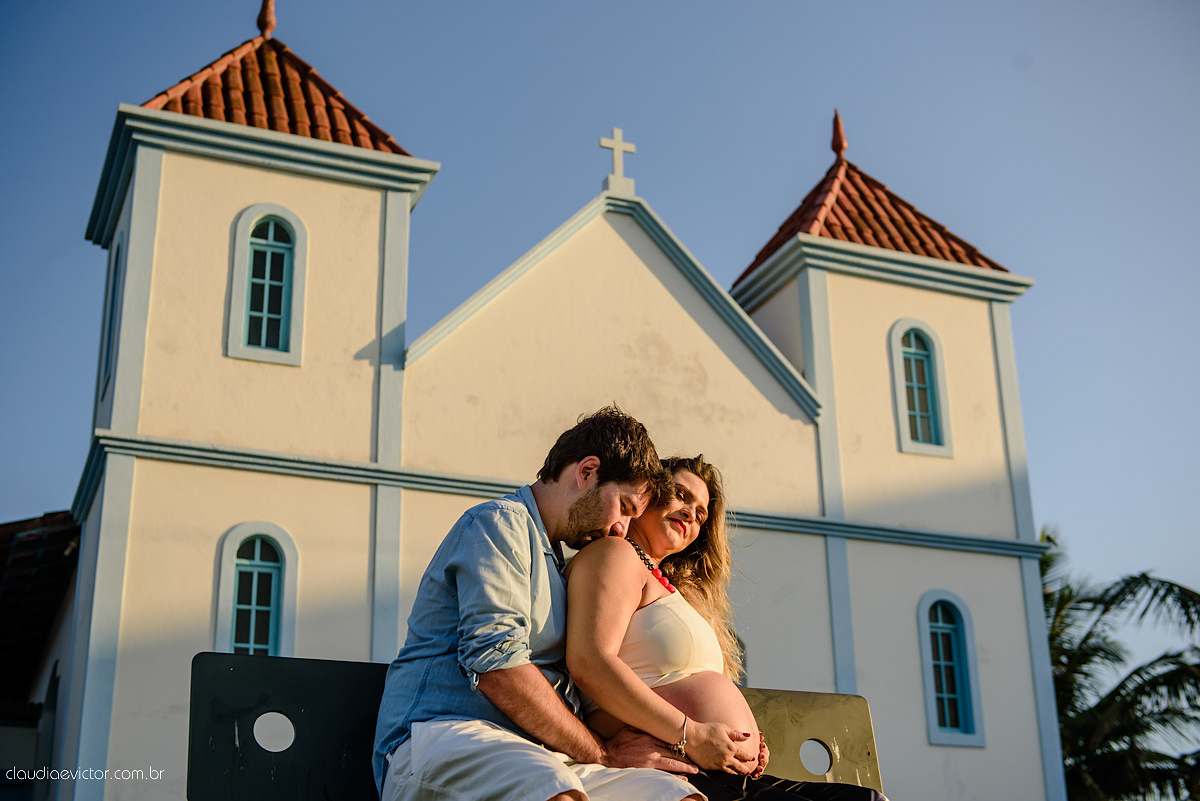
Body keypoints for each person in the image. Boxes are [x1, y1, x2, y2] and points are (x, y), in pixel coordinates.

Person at [373, 408, 756, 801]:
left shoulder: (559, 565)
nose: (621, 530)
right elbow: (496, 668)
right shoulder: (499, 524)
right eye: (623, 507)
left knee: (673, 796)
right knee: (554, 791)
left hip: (546, 752)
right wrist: (604, 752)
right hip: (445, 736)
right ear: (587, 471)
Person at [565, 455, 888, 801]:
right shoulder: (617, 554)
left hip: (719, 772)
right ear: (646, 493)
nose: (691, 513)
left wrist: (741, 740)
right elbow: (591, 665)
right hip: (676, 773)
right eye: (680, 494)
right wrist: (691, 734)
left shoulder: (666, 588)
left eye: (701, 514)